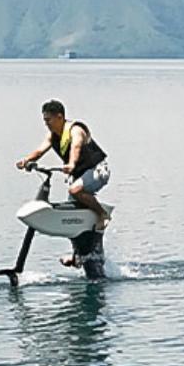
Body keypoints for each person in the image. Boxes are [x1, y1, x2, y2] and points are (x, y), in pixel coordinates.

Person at [16, 100, 112, 258]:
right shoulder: (52, 135)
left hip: (97, 170)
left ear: (59, 117)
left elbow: (76, 147)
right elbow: (40, 150)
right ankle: (78, 256)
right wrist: (26, 160)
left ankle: (102, 214)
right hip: (80, 175)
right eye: (44, 120)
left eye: (48, 120)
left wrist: (72, 163)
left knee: (75, 190)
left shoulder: (76, 130)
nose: (46, 124)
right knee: (72, 216)